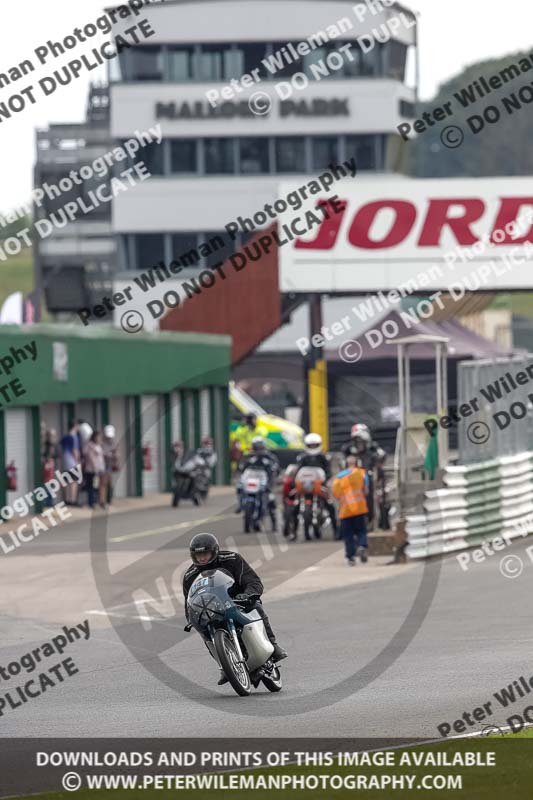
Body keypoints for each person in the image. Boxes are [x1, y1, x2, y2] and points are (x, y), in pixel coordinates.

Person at [183, 533, 287, 684]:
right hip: (210, 610)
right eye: (198, 555)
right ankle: (224, 666)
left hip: (237, 601)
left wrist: (248, 595)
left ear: (214, 551)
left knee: (256, 605)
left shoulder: (232, 559)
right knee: (203, 633)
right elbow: (188, 601)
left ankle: (273, 644)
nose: (202, 558)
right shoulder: (189, 576)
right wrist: (191, 617)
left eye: (205, 554)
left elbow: (253, 581)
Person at [342, 424, 386, 531]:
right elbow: (344, 459)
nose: (359, 444)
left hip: (370, 477)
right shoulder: (349, 449)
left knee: (379, 500)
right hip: (354, 479)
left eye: (361, 441)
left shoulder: (373, 448)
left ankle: (381, 522)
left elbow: (382, 456)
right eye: (357, 441)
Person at [295, 432, 337, 536]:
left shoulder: (324, 457)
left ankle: (336, 530)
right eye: (311, 445)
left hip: (319, 485)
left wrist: (325, 480)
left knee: (330, 505)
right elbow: (298, 471)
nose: (313, 447)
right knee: (294, 506)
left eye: (315, 445)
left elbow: (328, 471)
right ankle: (293, 531)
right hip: (305, 485)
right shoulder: (302, 458)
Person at [331, 455, 369, 566]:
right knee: (361, 531)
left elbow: (335, 494)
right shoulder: (362, 473)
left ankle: (351, 557)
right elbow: (366, 491)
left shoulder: (338, 478)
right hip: (360, 508)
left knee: (348, 535)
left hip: (345, 511)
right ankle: (362, 546)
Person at [237, 436, 279, 529]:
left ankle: (274, 522)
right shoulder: (248, 456)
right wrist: (241, 469)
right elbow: (242, 467)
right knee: (239, 487)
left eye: (260, 447)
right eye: (257, 448)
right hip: (252, 480)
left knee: (270, 498)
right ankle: (240, 505)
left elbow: (276, 467)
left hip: (264, 481)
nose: (259, 450)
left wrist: (273, 471)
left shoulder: (269, 457)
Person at [60, 420, 80, 506]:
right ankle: (73, 500)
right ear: (75, 426)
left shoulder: (65, 437)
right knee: (74, 481)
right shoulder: (74, 437)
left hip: (65, 461)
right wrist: (77, 461)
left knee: (66, 481)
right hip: (72, 462)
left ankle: (66, 499)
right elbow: (75, 450)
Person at [84, 430, 106, 509]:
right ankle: (91, 502)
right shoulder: (90, 445)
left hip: (100, 468)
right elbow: (90, 457)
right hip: (92, 470)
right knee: (92, 486)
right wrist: (94, 468)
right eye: (98, 437)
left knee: (99, 486)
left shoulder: (99, 445)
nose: (99, 438)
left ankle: (100, 501)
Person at [101, 425, 118, 507]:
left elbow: (116, 452)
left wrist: (115, 458)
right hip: (102, 465)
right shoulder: (101, 443)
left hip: (109, 465)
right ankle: (102, 501)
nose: (109, 438)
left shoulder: (112, 443)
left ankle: (109, 500)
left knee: (109, 483)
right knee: (103, 483)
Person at [42, 428, 59, 508]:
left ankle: (50, 501)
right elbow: (45, 455)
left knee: (51, 484)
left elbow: (57, 455)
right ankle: (47, 502)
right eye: (51, 436)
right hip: (47, 467)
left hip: (52, 466)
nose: (53, 437)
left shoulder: (54, 445)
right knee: (47, 484)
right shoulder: (46, 445)